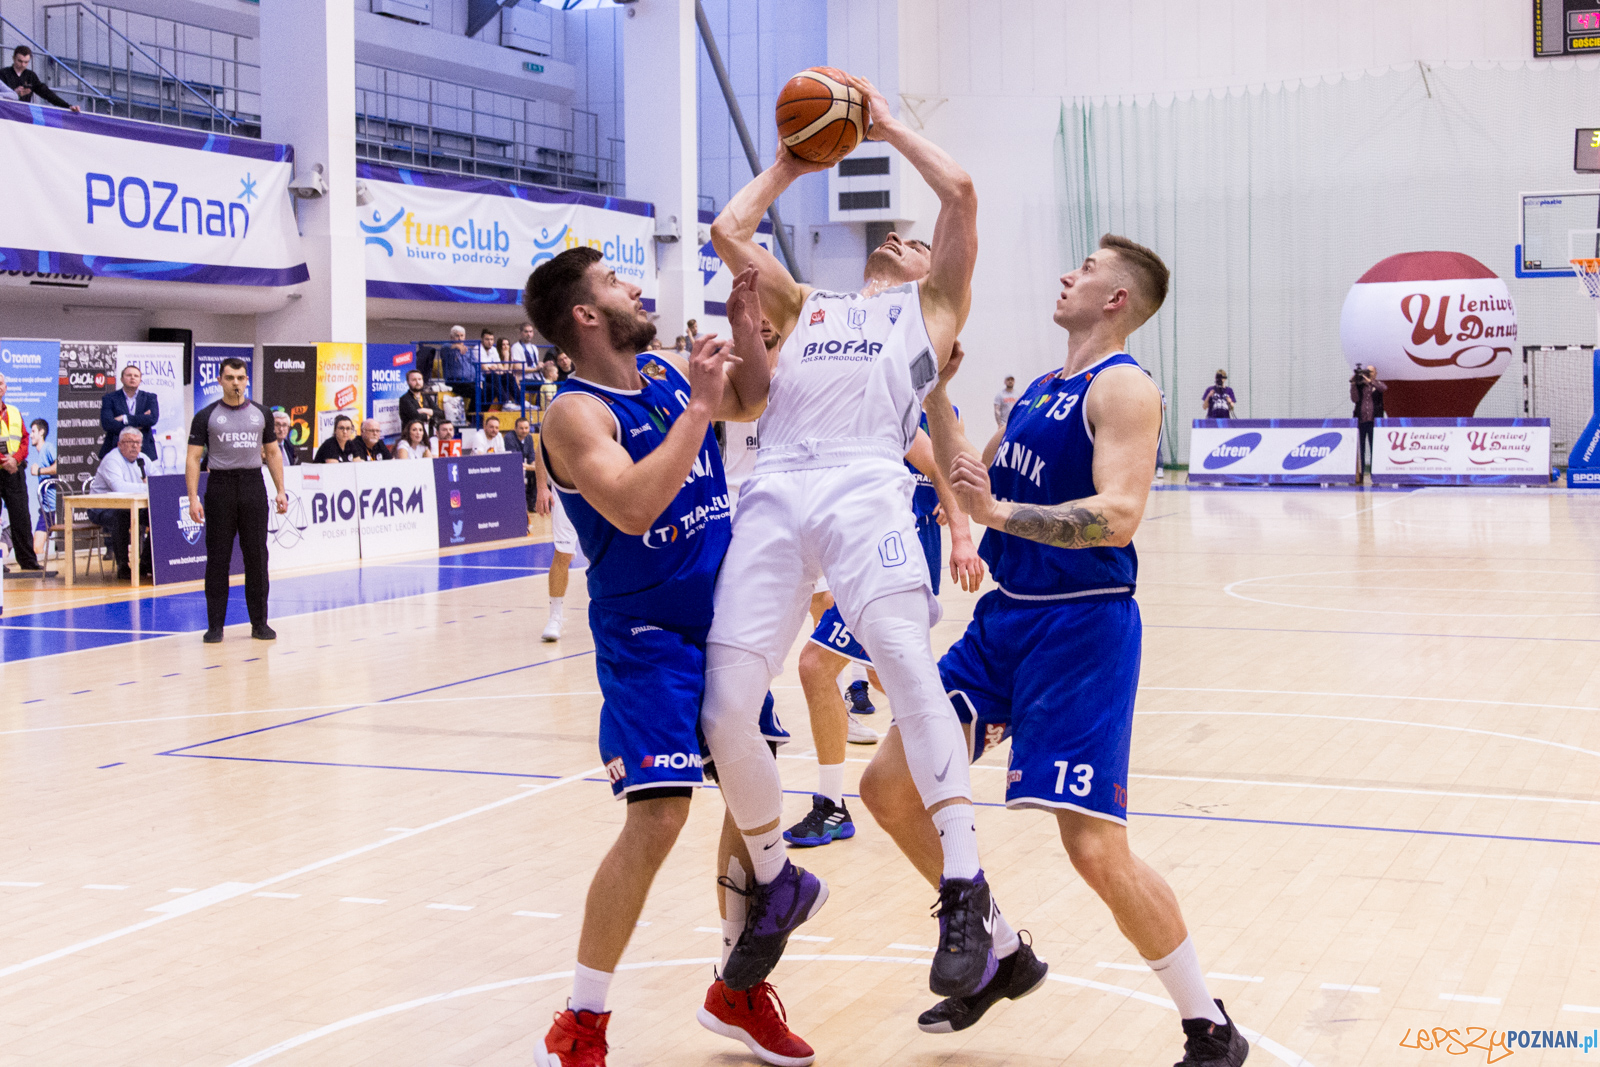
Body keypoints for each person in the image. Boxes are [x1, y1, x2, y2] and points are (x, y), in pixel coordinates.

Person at [861, 235, 1251, 1066]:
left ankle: (1208, 1025)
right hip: (1006, 619)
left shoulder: (1123, 387)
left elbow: (1118, 514)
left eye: (1086, 271)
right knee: (889, 786)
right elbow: (968, 470)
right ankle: (1001, 950)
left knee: (1092, 846)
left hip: (1082, 625)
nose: (1067, 274)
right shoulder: (1043, 386)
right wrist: (936, 391)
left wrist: (999, 518)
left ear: (1116, 300)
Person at [700, 72, 994, 999]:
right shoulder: (805, 303)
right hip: (778, 481)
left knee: (906, 662)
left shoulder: (931, 313)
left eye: (917, 239)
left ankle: (965, 883)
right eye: (896, 236)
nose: (908, 238)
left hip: (867, 479)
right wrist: (794, 157)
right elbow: (728, 231)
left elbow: (962, 194)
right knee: (723, 706)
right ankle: (778, 872)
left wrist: (883, 124)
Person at [525, 254, 807, 1067]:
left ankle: (737, 987)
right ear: (584, 314)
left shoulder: (655, 369)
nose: (636, 289)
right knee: (658, 815)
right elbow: (636, 503)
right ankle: (580, 1021)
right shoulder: (573, 415)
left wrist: (746, 323)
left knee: (751, 794)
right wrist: (698, 407)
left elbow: (751, 397)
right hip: (647, 633)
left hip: (723, 619)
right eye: (616, 281)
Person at [787, 409, 984, 848]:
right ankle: (941, 779)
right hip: (866, 557)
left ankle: (833, 805)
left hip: (897, 563)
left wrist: (959, 525)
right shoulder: (866, 394)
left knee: (814, 665)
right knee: (894, 681)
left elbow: (958, 467)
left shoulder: (939, 412)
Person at [186, 357, 287, 644]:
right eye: (230, 378)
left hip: (253, 484)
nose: (235, 383)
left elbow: (273, 453)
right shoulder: (206, 415)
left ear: (247, 380)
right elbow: (193, 458)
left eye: (240, 378)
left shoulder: (262, 413)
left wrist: (280, 489)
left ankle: (260, 623)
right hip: (220, 487)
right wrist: (192, 498)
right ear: (220, 380)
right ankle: (215, 626)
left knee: (257, 556)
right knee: (218, 559)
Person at [86, 427, 150, 580]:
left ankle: (146, 564)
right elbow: (119, 488)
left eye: (137, 442)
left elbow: (158, 480)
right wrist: (147, 486)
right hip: (101, 508)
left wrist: (151, 485)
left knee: (158, 516)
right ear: (120, 444)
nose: (134, 446)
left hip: (132, 507)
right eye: (129, 442)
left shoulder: (143, 459)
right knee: (120, 515)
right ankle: (123, 565)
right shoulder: (112, 459)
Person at [0, 373, 42, 571]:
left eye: (1, 383)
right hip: (4, 465)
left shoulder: (14, 412)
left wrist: (15, 459)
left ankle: (28, 562)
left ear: (6, 388)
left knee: (21, 517)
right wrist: (4, 460)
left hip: (14, 472)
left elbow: (24, 440)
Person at [98, 364, 159, 459]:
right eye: (129, 375)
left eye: (136, 376)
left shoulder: (150, 398)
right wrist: (140, 420)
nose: (132, 378)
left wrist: (125, 418)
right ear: (121, 379)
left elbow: (152, 419)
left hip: (144, 449)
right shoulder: (109, 398)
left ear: (140, 380)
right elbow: (107, 423)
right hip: (115, 448)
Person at [2, 46, 79, 112]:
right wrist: (14, 94)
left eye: (26, 62)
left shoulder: (31, 76)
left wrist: (67, 106)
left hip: (23, 112)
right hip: (5, 112)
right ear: (13, 58)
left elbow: (47, 94)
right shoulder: (3, 73)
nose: (23, 65)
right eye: (20, 61)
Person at [27, 418, 57, 562]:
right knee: (37, 549)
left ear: (41, 432)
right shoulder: (41, 453)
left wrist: (39, 471)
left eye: (33, 431)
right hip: (45, 509)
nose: (31, 435)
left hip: (53, 509)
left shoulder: (48, 448)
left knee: (37, 549)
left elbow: (59, 467)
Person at [1351, 364, 1386, 475]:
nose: (1368, 374)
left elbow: (1384, 388)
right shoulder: (1360, 386)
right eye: (1367, 372)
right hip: (1361, 421)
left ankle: (1374, 474)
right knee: (1361, 448)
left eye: (1370, 372)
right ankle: (1360, 474)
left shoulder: (1377, 384)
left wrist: (1370, 381)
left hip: (1373, 421)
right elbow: (1354, 399)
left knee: (1374, 448)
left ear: (1375, 373)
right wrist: (1353, 384)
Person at [398, 370, 437, 436]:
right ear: (408, 382)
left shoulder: (426, 397)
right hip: (411, 438)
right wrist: (430, 414)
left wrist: (424, 410)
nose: (418, 382)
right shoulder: (404, 399)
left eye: (419, 379)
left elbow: (440, 413)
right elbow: (415, 416)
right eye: (414, 380)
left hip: (428, 436)